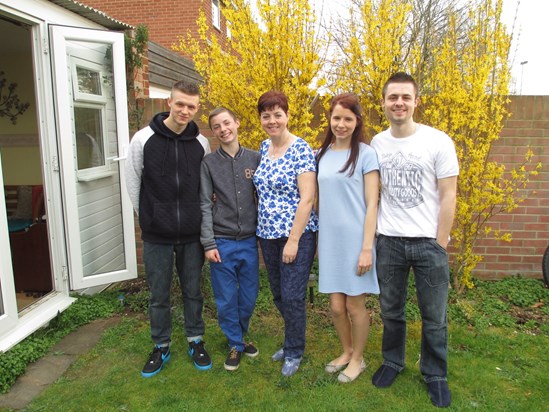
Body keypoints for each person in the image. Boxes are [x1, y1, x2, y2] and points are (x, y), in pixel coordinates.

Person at [370, 72, 459, 408]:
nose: (399, 103)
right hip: (389, 241)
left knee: (433, 315)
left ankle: (435, 374)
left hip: (428, 243)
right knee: (391, 311)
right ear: (383, 103)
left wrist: (440, 240)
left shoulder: (438, 141)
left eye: (406, 97)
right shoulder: (378, 143)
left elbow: (449, 194)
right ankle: (393, 361)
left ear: (416, 101)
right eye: (393, 97)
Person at [125, 80, 213, 377]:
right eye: (180, 104)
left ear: (197, 108)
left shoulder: (202, 143)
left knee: (193, 292)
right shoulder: (142, 139)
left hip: (191, 234)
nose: (185, 110)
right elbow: (133, 183)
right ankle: (161, 345)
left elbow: (204, 189)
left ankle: (195, 340)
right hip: (156, 235)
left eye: (191, 106)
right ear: (169, 103)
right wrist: (148, 217)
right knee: (159, 295)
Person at [252, 90, 318, 377]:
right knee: (278, 293)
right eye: (266, 115)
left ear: (287, 115)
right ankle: (291, 340)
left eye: (278, 114)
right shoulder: (263, 147)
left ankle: (294, 350)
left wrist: (293, 240)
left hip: (297, 236)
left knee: (292, 295)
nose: (272, 120)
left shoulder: (301, 149)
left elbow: (307, 198)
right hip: (267, 234)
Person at [316, 93, 380, 383]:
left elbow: (372, 204)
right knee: (335, 306)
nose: (341, 124)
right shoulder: (322, 154)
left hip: (357, 242)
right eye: (337, 118)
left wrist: (367, 248)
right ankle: (346, 350)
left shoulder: (366, 154)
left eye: (348, 119)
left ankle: (358, 359)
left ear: (357, 122)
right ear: (330, 120)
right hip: (330, 242)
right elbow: (317, 198)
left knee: (355, 306)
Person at [199, 107, 261, 371]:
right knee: (226, 298)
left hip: (249, 240)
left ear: (237, 123)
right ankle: (235, 343)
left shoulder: (256, 159)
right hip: (222, 242)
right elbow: (203, 203)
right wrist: (208, 243)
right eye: (216, 126)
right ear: (212, 132)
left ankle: (240, 333)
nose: (223, 129)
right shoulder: (209, 164)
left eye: (227, 123)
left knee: (248, 296)